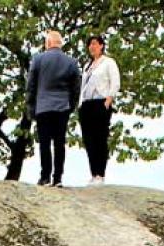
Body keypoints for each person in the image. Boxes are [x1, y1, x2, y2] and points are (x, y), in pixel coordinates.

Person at [26, 31, 81, 187]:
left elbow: (30, 85)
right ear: (60, 43)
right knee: (59, 143)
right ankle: (58, 178)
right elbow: (76, 87)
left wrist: (31, 106)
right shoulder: (71, 62)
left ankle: (44, 177)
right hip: (62, 107)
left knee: (44, 143)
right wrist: (71, 105)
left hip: (42, 107)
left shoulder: (38, 60)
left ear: (48, 43)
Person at [78, 35, 120, 185]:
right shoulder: (87, 66)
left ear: (101, 45)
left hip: (101, 102)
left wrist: (109, 100)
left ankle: (100, 174)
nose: (92, 47)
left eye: (95, 44)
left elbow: (115, 82)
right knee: (88, 140)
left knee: (100, 138)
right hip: (87, 104)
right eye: (90, 44)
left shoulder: (108, 62)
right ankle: (93, 172)